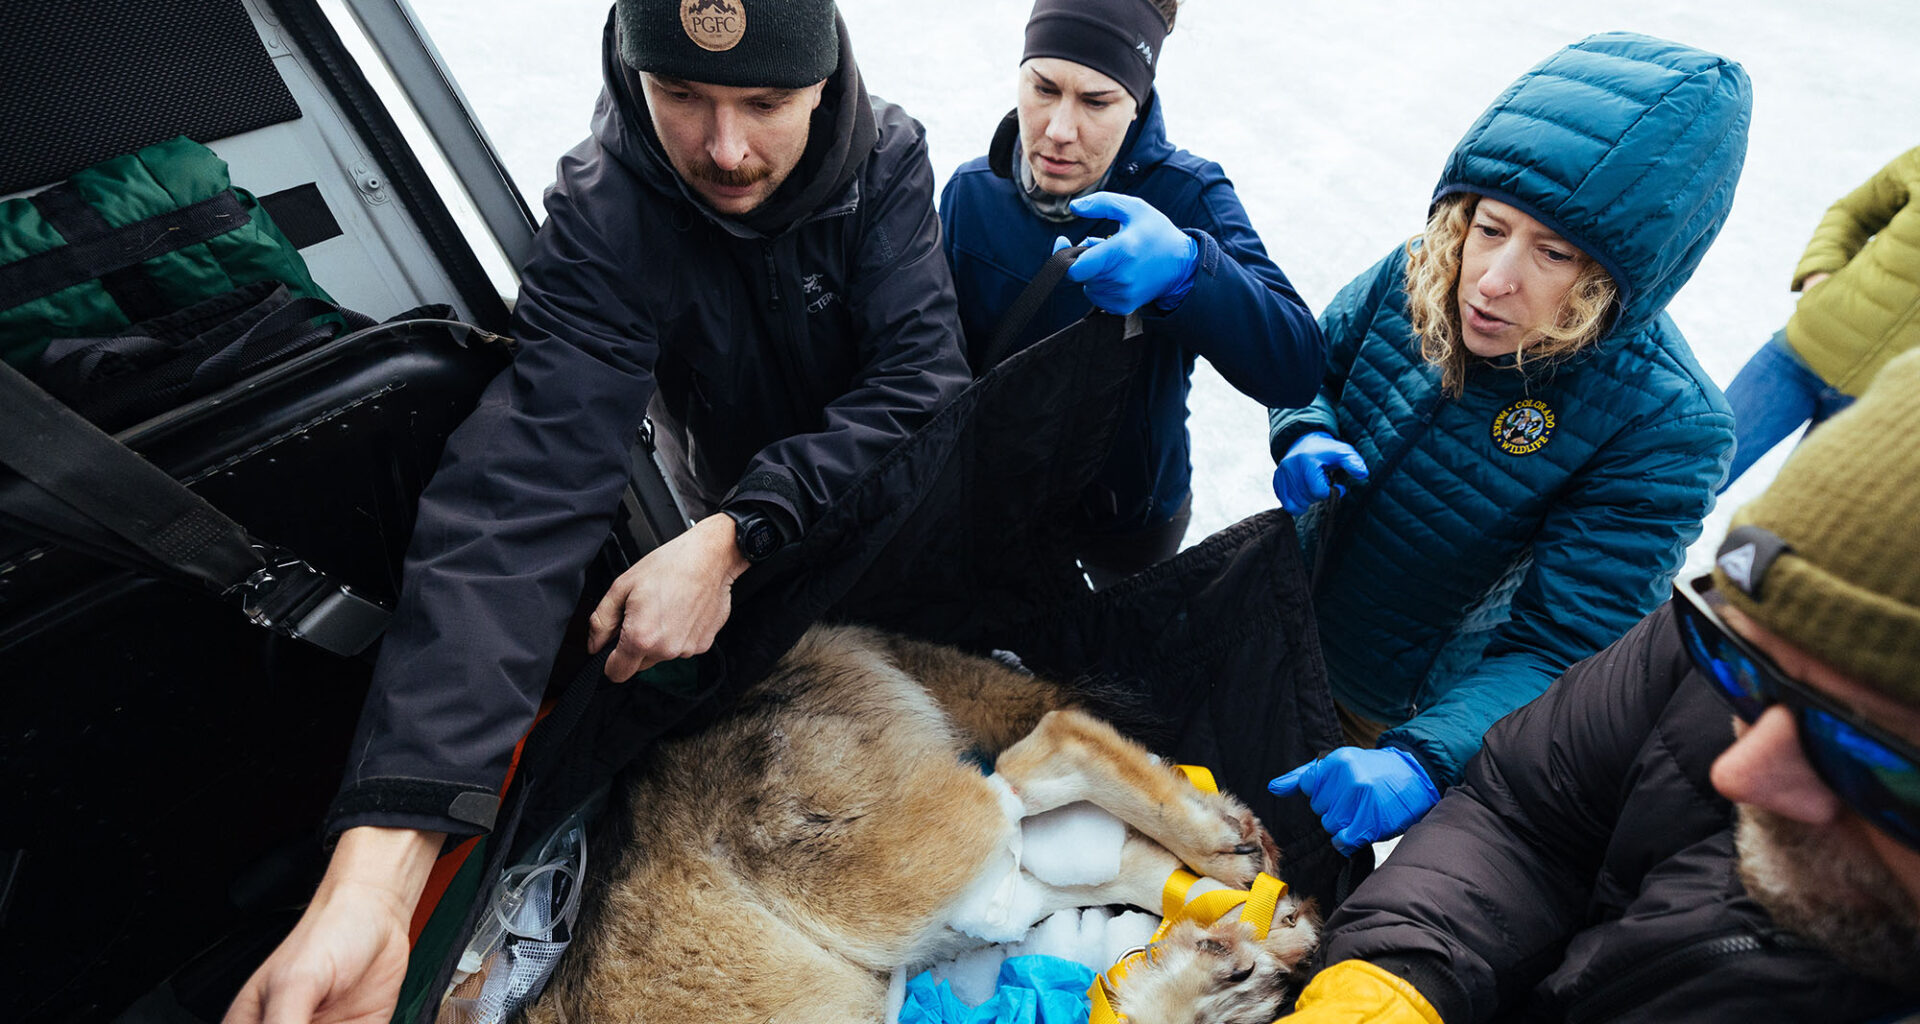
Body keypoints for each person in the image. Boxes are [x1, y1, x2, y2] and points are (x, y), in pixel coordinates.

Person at [225, 1, 970, 1021]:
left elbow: (922, 386)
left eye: (766, 102)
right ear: (634, 69)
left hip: (885, 515)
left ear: (825, 81)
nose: (726, 147)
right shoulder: (604, 207)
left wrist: (734, 538)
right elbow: (525, 488)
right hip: (744, 521)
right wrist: (377, 877)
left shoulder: (885, 159)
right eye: (682, 95)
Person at [1278, 347, 1920, 1023]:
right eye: (1747, 674)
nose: (1742, 773)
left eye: (1869, 751)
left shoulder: (1669, 420)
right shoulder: (1738, 636)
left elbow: (1563, 631)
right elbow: (1531, 816)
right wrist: (1397, 983)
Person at [1266, 34, 1747, 855]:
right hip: (1270, 613)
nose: (1491, 279)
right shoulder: (1421, 267)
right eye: (1490, 227)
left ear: (1620, 277)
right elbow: (1310, 364)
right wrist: (1304, 427)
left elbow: (1563, 641)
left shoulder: (1664, 423)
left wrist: (1422, 758)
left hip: (1387, 714)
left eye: (1554, 253)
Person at [939, 0, 1323, 588]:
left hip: (1128, 516)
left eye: (1097, 101)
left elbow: (1296, 364)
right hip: (995, 500)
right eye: (1043, 88)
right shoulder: (972, 193)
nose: (1059, 130)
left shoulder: (1188, 196)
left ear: (1137, 102)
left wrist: (1189, 271)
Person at [1720, 143, 1920, 489]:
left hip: (1874, 410)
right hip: (1796, 355)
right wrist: (1819, 278)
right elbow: (1851, 214)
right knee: (1683, 485)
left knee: (1787, 530)